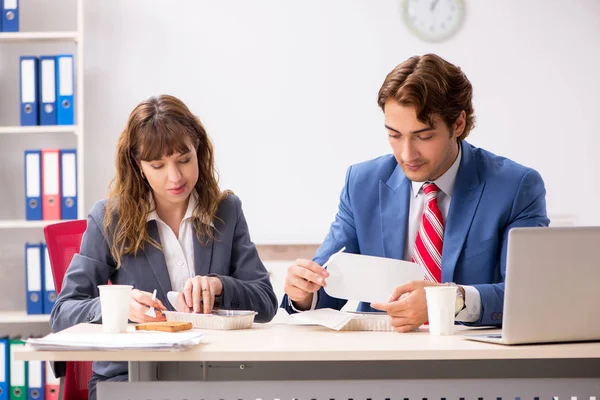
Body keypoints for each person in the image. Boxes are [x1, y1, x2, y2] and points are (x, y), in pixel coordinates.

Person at [281, 53, 549, 331]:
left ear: (458, 124)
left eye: (423, 136)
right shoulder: (362, 183)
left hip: (473, 357)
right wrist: (304, 293)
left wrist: (447, 301)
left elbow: (528, 295)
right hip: (380, 354)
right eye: (394, 136)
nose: (407, 154)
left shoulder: (515, 187)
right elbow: (328, 283)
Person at [50, 95, 278, 399]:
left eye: (184, 159)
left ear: (198, 150)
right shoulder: (110, 218)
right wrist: (120, 306)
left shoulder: (226, 211)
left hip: (213, 378)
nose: (175, 176)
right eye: (158, 165)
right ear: (138, 165)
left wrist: (220, 286)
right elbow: (63, 312)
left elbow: (265, 302)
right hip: (131, 381)